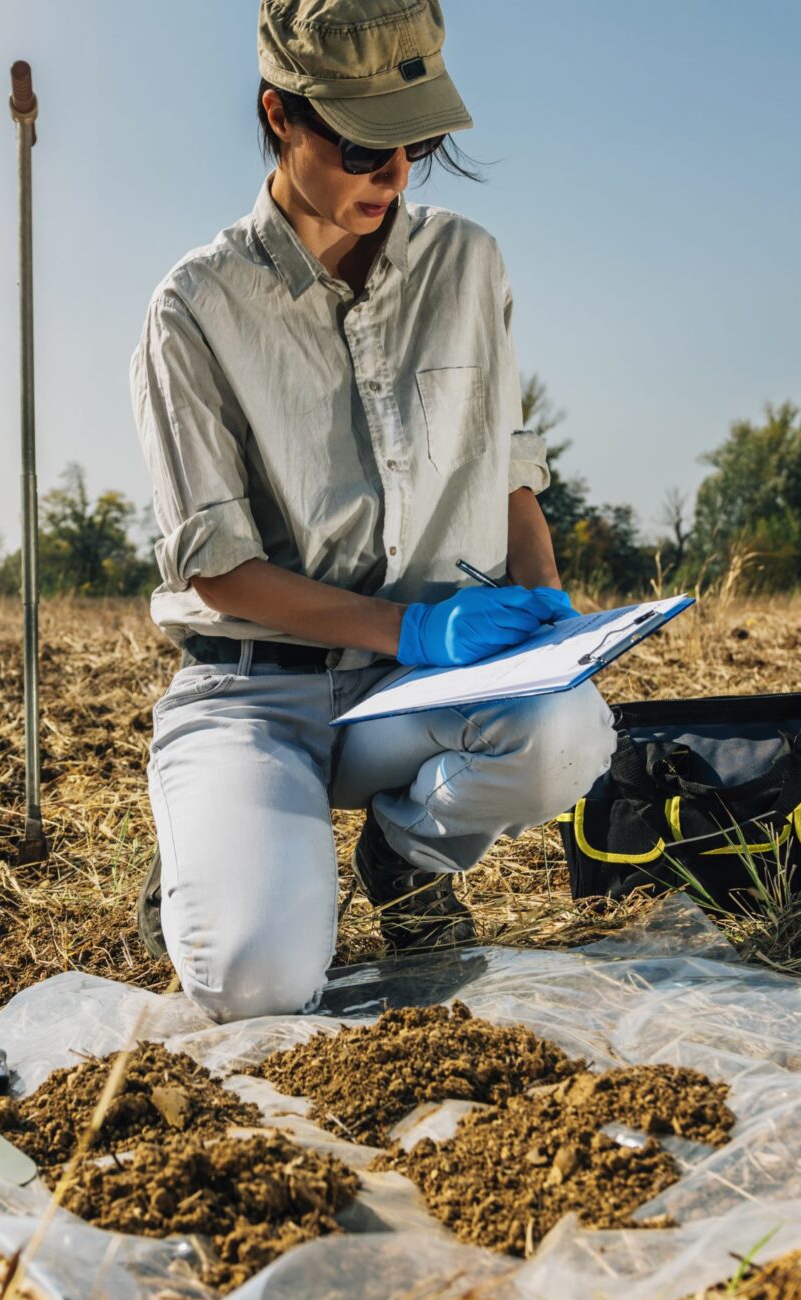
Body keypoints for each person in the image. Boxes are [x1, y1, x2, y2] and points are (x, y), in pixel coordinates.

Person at [130, 0, 617, 1022]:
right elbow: (215, 566)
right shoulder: (193, 308)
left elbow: (508, 474)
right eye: (360, 146)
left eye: (416, 143)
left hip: (414, 688)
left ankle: (405, 861)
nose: (391, 174)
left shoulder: (469, 264)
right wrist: (412, 624)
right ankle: (218, 846)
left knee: (565, 731)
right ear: (280, 115)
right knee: (259, 988)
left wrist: (549, 613)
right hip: (254, 694)